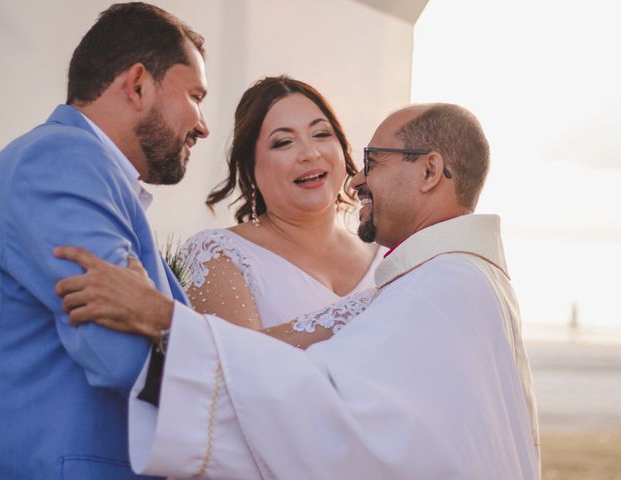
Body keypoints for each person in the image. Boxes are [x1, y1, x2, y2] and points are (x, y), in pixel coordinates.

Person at [55, 103, 540, 479]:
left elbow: (326, 413)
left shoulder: (441, 286)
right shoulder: (453, 279)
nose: (357, 177)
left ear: (430, 172)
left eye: (371, 161)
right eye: (283, 141)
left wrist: (163, 319)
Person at [0, 3, 209, 478]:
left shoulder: (88, 171)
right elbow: (118, 351)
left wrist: (153, 309)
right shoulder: (61, 158)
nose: (203, 125)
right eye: (195, 95)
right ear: (139, 84)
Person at [178, 76, 382, 348]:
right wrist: (364, 309)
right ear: (250, 167)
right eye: (283, 142)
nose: (309, 154)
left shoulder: (384, 252)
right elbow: (235, 363)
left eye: (321, 134)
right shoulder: (218, 255)